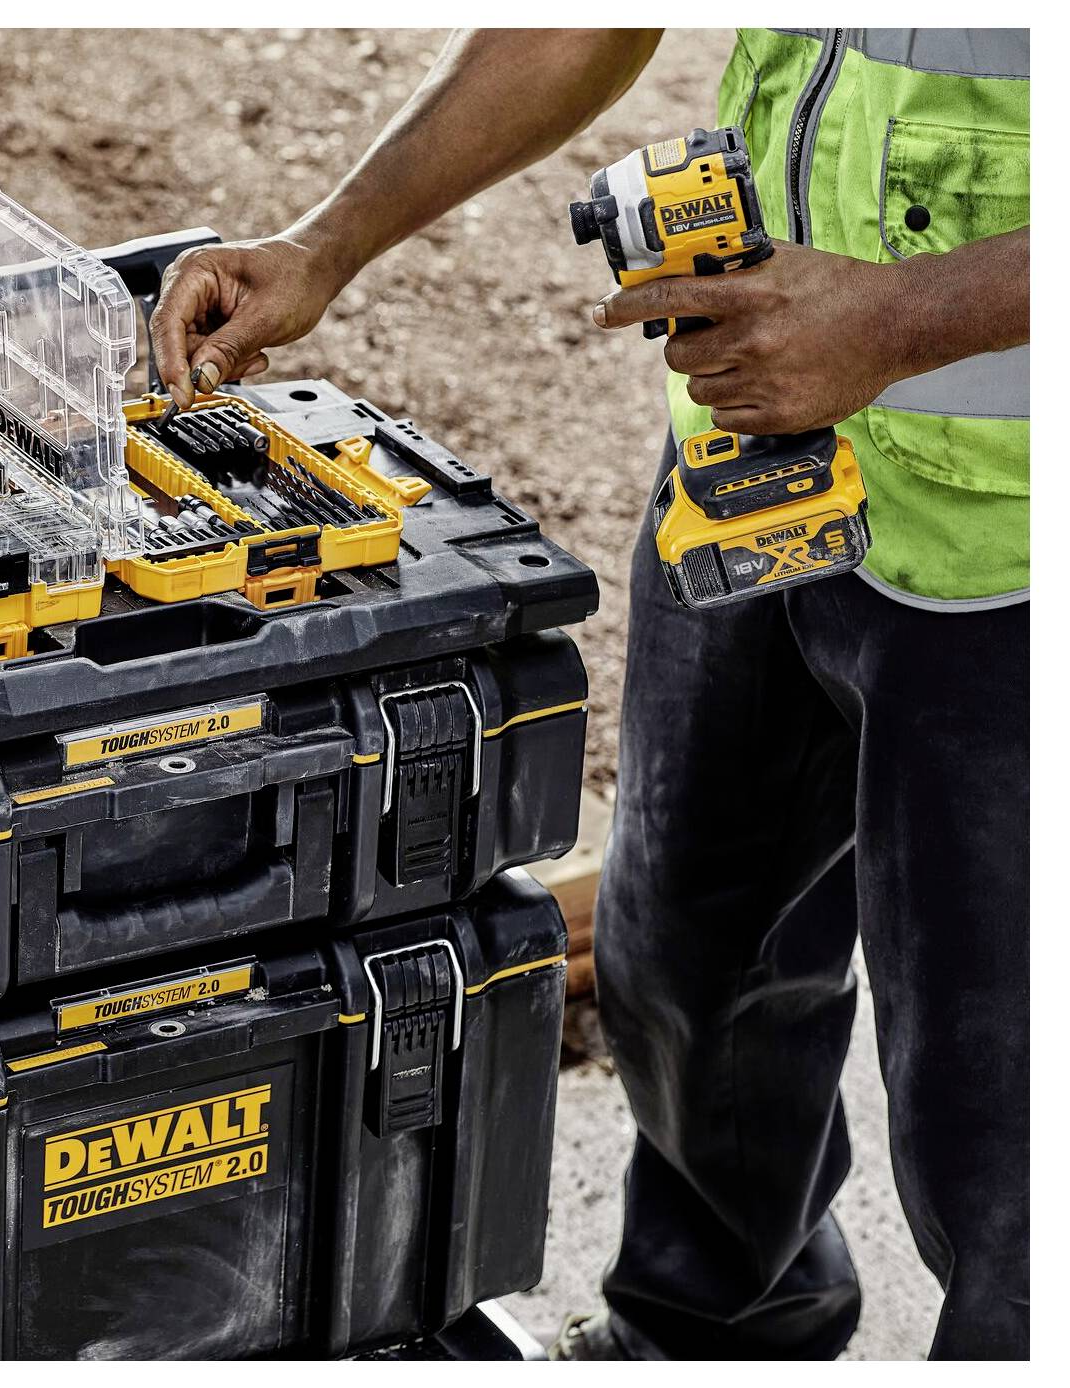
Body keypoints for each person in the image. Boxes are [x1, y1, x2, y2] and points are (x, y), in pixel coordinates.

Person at [150, 28, 1028, 1360]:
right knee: (684, 962)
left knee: (1009, 1126)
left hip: (1013, 558)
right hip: (760, 472)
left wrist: (899, 323)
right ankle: (718, 1326)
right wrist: (326, 244)